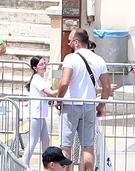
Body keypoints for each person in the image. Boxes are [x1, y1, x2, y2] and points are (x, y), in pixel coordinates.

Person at [53, 29, 112, 171]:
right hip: (90, 106)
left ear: (77, 42)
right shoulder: (99, 59)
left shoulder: (71, 58)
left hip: (71, 105)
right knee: (88, 147)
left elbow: (64, 83)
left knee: (66, 146)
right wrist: (101, 106)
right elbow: (107, 86)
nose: (70, 44)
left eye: (71, 41)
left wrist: (59, 99)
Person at [23, 56, 56, 167]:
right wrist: (62, 89)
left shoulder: (41, 78)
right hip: (35, 113)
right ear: (35, 68)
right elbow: (50, 93)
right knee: (33, 141)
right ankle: (24, 164)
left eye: (44, 63)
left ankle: (46, 165)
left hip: (40, 114)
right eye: (41, 64)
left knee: (46, 140)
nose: (44, 65)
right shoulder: (37, 78)